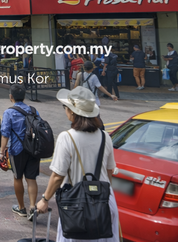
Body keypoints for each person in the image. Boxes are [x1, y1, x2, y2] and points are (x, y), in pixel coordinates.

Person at [36, 86, 120, 242]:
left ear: (72, 112)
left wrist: (44, 200)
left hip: (77, 207)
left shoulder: (66, 137)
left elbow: (57, 176)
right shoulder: (104, 137)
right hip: (104, 204)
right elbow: (109, 173)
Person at [0, 84, 39, 221]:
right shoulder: (33, 110)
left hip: (17, 150)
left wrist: (1, 152)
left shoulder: (9, 112)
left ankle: (21, 208)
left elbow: (5, 134)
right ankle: (33, 207)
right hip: (33, 150)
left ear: (11, 96)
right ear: (24, 96)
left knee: (18, 177)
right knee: (31, 178)